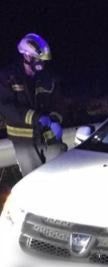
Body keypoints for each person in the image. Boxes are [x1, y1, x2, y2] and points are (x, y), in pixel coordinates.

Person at [0, 33, 66, 176]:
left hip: (49, 138)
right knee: (34, 180)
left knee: (59, 177)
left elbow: (58, 103)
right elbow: (6, 107)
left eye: (43, 60)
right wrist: (37, 118)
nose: (41, 63)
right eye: (38, 59)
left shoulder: (48, 77)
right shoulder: (7, 77)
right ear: (27, 56)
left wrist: (54, 120)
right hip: (24, 141)